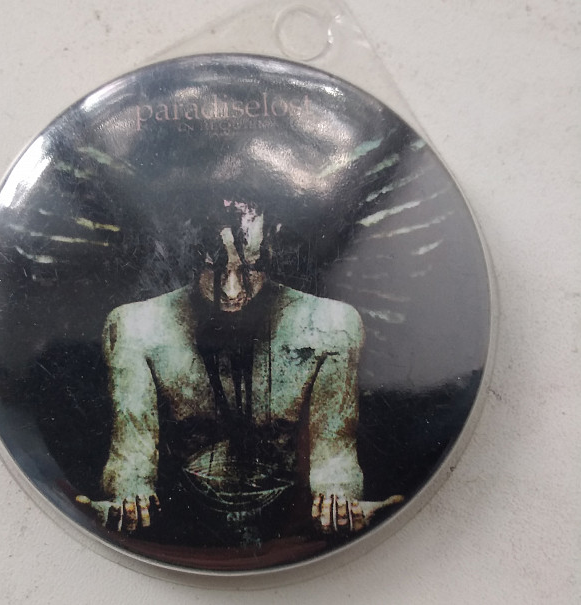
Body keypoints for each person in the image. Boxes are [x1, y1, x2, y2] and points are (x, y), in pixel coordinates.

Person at [77, 198, 401, 541]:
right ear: (190, 258)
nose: (232, 290)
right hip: (182, 520)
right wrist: (128, 498)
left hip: (288, 520)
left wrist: (339, 501)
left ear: (271, 254)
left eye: (250, 269)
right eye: (213, 269)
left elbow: (334, 460)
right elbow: (131, 461)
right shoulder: (136, 328)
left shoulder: (331, 326)